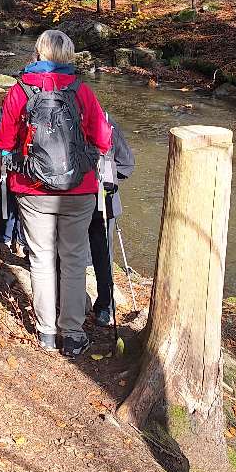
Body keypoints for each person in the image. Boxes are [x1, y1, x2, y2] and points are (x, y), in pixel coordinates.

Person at [0, 28, 112, 359]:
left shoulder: (21, 90)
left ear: (39, 53)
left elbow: (2, 141)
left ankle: (46, 332)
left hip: (32, 189)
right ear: (69, 56)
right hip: (80, 189)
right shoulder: (82, 90)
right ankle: (72, 334)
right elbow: (103, 139)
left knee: (41, 258)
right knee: (74, 260)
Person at [89, 112, 135, 327]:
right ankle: (105, 308)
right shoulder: (107, 121)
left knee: (75, 251)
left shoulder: (62, 116)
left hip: (77, 198)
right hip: (102, 199)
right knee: (103, 254)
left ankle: (99, 305)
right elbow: (126, 165)